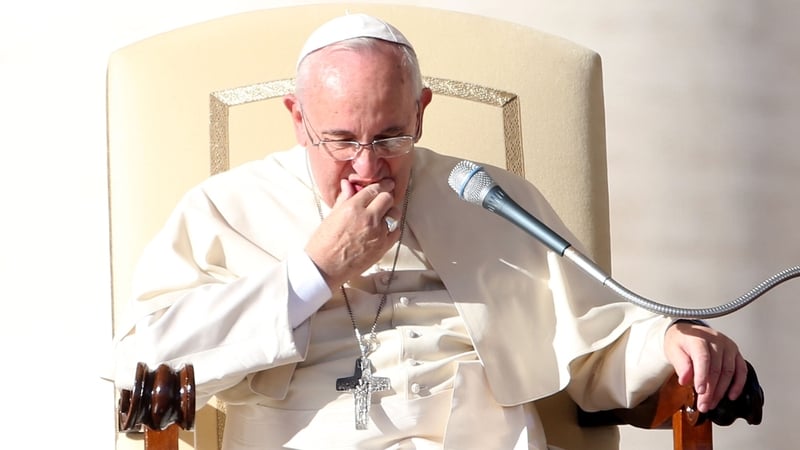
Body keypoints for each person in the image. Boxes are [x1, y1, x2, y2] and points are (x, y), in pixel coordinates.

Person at [110, 13, 747, 450]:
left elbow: (596, 341)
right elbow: (143, 361)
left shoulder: (491, 199)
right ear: (297, 118)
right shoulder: (226, 208)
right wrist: (313, 273)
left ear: (421, 110)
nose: (366, 167)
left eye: (390, 136)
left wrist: (670, 340)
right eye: (339, 140)